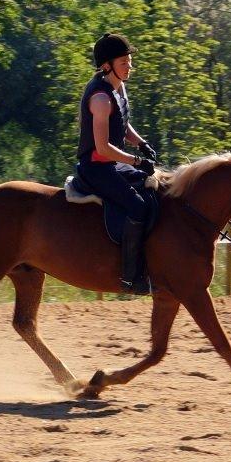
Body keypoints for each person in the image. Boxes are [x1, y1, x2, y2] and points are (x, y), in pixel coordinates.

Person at [75, 33, 159, 295]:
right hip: (96, 168)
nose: (129, 66)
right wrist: (136, 160)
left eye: (130, 60)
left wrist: (141, 143)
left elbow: (121, 122)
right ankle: (129, 276)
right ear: (106, 66)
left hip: (112, 164)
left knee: (154, 188)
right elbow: (102, 148)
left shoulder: (118, 87)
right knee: (138, 207)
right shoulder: (99, 99)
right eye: (124, 62)